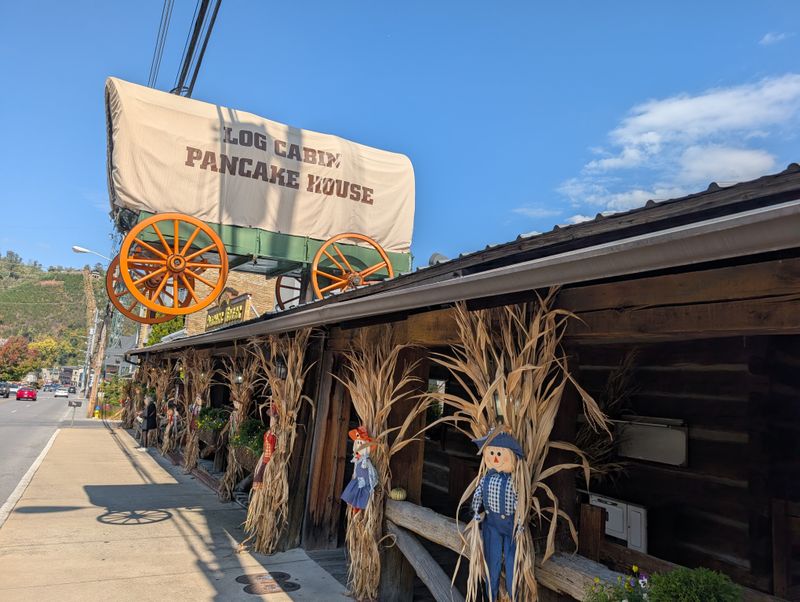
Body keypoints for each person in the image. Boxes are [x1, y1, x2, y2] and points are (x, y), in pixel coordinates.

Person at [470, 428, 525, 601]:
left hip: (511, 527)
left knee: (512, 563)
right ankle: (491, 597)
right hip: (491, 525)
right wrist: (475, 513)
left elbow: (518, 502)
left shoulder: (513, 482)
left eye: (500, 454)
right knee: (491, 562)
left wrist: (521, 523)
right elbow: (477, 496)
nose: (495, 458)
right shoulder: (485, 479)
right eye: (492, 453)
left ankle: (514, 594)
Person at [340, 426, 378, 513]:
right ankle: (354, 507)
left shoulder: (365, 461)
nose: (358, 446)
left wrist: (372, 483)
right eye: (357, 443)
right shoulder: (358, 459)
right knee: (352, 493)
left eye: (360, 443)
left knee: (361, 495)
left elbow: (371, 472)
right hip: (358, 480)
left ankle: (358, 508)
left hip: (365, 482)